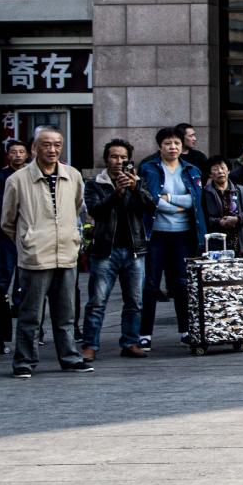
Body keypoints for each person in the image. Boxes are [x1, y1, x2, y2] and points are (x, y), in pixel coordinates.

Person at [0, 127, 87, 378]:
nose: (52, 149)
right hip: (35, 256)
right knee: (30, 314)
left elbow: (78, 207)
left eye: (57, 144)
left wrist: (72, 236)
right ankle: (24, 362)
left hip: (66, 254)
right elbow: (7, 221)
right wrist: (28, 240)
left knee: (66, 314)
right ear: (34, 148)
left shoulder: (73, 175)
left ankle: (70, 357)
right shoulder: (17, 180)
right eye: (46, 145)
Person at [81, 138, 153, 362]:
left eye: (123, 157)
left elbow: (150, 207)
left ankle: (130, 342)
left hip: (134, 250)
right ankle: (90, 345)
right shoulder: (95, 183)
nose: (119, 161)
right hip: (105, 250)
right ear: (106, 159)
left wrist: (134, 187)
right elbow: (96, 210)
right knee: (97, 301)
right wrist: (117, 193)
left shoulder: (137, 181)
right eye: (114, 156)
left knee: (134, 301)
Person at [140, 126, 204, 350]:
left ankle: (185, 330)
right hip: (156, 235)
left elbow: (194, 202)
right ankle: (144, 334)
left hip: (184, 236)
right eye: (168, 143)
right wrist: (176, 204)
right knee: (150, 285)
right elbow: (151, 200)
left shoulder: (192, 170)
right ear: (160, 146)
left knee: (181, 284)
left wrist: (170, 198)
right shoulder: (149, 168)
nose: (173, 147)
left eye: (177, 143)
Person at [0, 138, 27, 292]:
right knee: (5, 269)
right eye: (14, 152)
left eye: (21, 152)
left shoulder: (30, 175)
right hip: (8, 230)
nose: (18, 155)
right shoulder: (0, 177)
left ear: (27, 155)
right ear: (8, 155)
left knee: (24, 270)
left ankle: (19, 304)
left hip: (27, 229)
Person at [202, 157, 243, 245]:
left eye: (223, 168)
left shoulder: (241, 190)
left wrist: (237, 219)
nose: (220, 171)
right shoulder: (205, 193)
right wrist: (219, 221)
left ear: (228, 171)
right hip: (215, 240)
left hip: (239, 239)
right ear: (210, 174)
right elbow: (203, 217)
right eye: (215, 169)